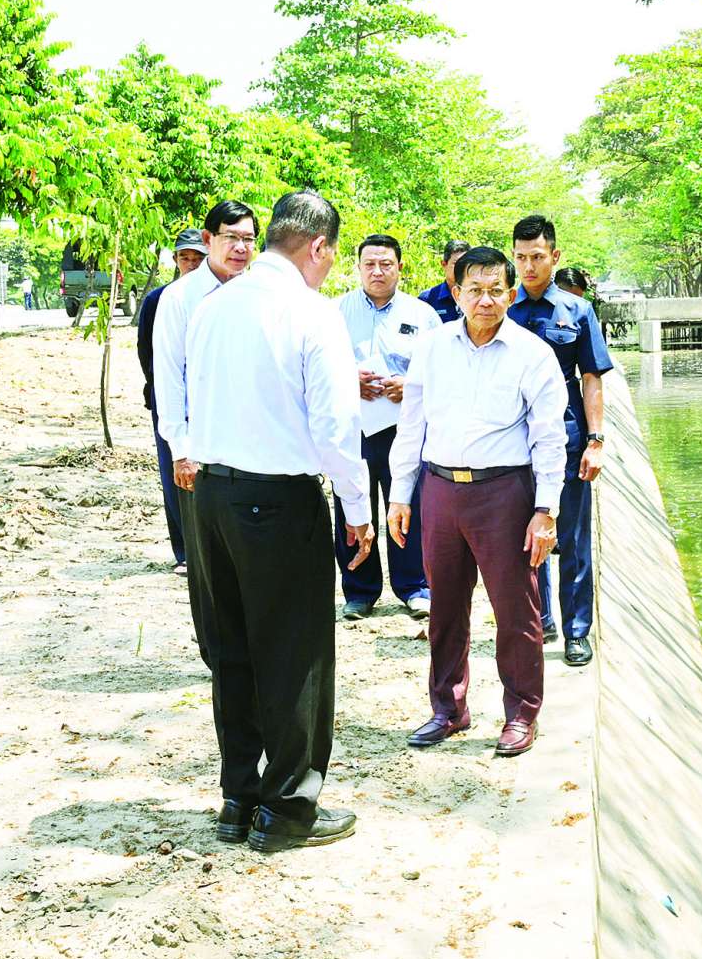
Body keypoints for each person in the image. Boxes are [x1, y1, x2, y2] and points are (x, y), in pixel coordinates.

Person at [185, 190, 374, 852]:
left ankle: (239, 798)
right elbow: (336, 428)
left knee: (232, 652)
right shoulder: (312, 313)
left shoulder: (212, 305)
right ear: (319, 246)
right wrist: (358, 510)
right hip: (279, 499)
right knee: (295, 655)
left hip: (209, 498)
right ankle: (288, 808)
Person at [387, 246, 567, 757]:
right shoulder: (433, 347)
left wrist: (545, 510)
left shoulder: (533, 354)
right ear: (456, 292)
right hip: (440, 490)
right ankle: (448, 708)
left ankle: (521, 713)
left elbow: (549, 438)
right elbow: (412, 424)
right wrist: (401, 494)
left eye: (495, 291)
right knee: (445, 607)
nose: (485, 301)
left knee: (516, 610)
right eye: (474, 290)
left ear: (510, 293)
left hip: (504, 493)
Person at [153, 199, 259, 666]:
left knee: (251, 555)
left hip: (254, 449)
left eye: (249, 239)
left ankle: (253, 651)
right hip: (201, 452)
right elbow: (168, 378)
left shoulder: (260, 293)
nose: (240, 248)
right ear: (208, 239)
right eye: (231, 238)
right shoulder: (181, 298)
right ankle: (218, 658)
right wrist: (181, 450)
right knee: (208, 562)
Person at [508, 216, 615, 667]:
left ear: (555, 256)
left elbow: (591, 378)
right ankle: (538, 622)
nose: (529, 266)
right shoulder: (502, 309)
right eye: (521, 257)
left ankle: (576, 631)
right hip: (512, 443)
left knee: (570, 539)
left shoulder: (578, 312)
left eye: (537, 257)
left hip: (567, 438)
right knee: (522, 540)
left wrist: (595, 440)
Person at [336, 233, 441, 621]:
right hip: (353, 428)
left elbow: (441, 369)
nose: (377, 271)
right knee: (351, 503)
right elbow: (316, 366)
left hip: (405, 428)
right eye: (369, 264)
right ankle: (359, 591)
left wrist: (410, 384)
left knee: (408, 504)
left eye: (385, 264)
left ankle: (414, 587)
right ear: (358, 267)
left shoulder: (422, 315)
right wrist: (349, 380)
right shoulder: (335, 312)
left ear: (400, 267)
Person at [135, 227, 207, 574]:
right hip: (168, 397)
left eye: (197, 258)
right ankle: (184, 551)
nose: (191, 264)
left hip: (208, 399)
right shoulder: (158, 299)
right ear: (176, 260)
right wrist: (161, 390)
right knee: (174, 471)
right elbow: (147, 352)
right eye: (185, 258)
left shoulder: (216, 296)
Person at [420, 239, 470, 324]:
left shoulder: (477, 297)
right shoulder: (427, 298)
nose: (461, 268)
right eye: (456, 263)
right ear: (444, 264)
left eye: (465, 263)